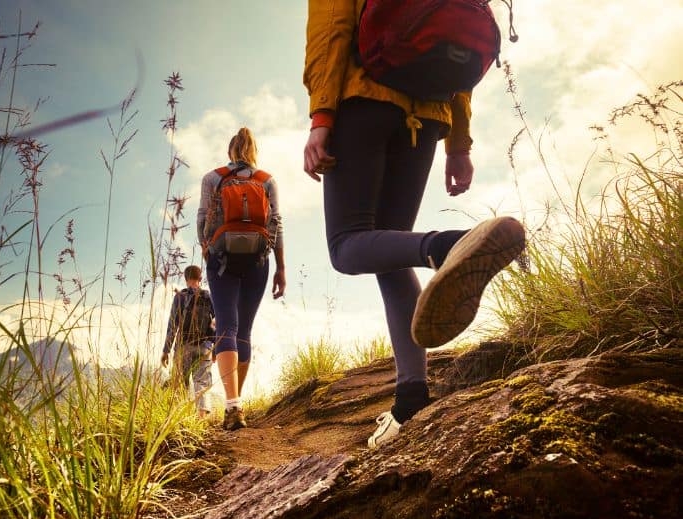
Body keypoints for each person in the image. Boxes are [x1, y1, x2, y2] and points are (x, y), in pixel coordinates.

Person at [302, 0, 526, 449]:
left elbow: (331, 31)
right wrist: (458, 144)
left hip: (363, 101)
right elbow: (455, 52)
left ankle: (447, 247)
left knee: (347, 246)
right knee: (392, 251)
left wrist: (321, 118)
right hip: (428, 117)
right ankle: (410, 400)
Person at [198, 127, 285, 431]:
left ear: (230, 150)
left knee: (226, 326)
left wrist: (209, 252)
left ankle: (232, 403)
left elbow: (202, 220)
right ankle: (237, 403)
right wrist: (280, 268)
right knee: (243, 330)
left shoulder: (213, 178)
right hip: (258, 262)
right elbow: (276, 224)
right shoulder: (266, 181)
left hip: (221, 260)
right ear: (253, 152)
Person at [162, 265, 216, 418]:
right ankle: (201, 419)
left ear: (185, 279)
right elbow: (216, 322)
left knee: (180, 382)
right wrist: (215, 349)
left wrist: (166, 350)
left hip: (183, 346)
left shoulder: (180, 296)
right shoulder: (209, 296)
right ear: (200, 278)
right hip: (205, 346)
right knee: (202, 382)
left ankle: (180, 419)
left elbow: (173, 324)